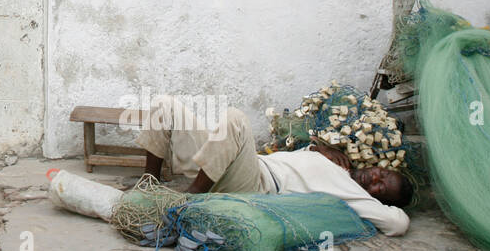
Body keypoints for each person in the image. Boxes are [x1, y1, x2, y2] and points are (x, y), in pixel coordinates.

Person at [54, 95, 413, 235]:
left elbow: (398, 223)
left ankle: (186, 201)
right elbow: (304, 149)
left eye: (383, 187)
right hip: (233, 165)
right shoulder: (337, 163)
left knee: (235, 119)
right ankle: (149, 182)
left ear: (381, 199)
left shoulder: (356, 196)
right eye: (382, 174)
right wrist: (320, 148)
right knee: (165, 106)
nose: (376, 179)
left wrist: (378, 204)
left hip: (255, 185)